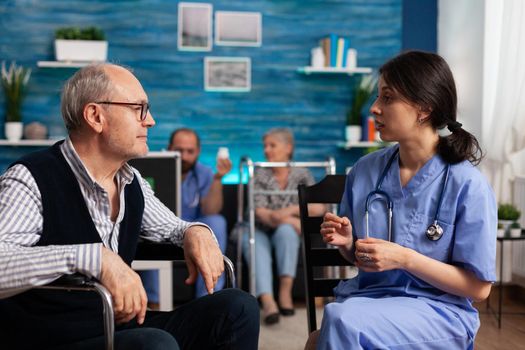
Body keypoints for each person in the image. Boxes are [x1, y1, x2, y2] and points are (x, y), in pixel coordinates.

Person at [0, 63, 259, 350]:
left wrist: (195, 231)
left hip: (116, 326)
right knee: (154, 343)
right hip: (50, 337)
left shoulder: (130, 180)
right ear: (96, 116)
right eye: (140, 108)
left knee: (238, 307)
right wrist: (95, 258)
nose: (151, 121)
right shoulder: (30, 178)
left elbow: (173, 226)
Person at [307, 51, 496, 349]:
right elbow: (362, 258)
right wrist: (347, 244)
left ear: (424, 108)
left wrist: (405, 258)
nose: (374, 109)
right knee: (339, 321)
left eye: (387, 98)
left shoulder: (467, 184)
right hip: (367, 301)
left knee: (340, 323)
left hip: (438, 311)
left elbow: (479, 287)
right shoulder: (364, 171)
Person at [242, 128, 324, 325]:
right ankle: (268, 302)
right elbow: (262, 214)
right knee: (255, 242)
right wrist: (293, 217)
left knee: (287, 232)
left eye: (272, 145)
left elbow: (319, 207)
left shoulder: (302, 174)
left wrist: (287, 212)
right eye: (265, 146)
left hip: (282, 228)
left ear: (288, 148)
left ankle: (285, 293)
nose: (267, 151)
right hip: (258, 227)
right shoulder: (259, 175)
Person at [139, 128, 232, 302]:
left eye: (190, 151)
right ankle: (153, 301)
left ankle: (208, 299)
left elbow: (211, 211)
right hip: (160, 228)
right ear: (169, 148)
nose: (185, 156)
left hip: (192, 228)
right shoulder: (152, 169)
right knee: (149, 228)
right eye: (179, 150)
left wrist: (218, 178)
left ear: (198, 152)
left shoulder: (203, 173)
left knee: (217, 221)